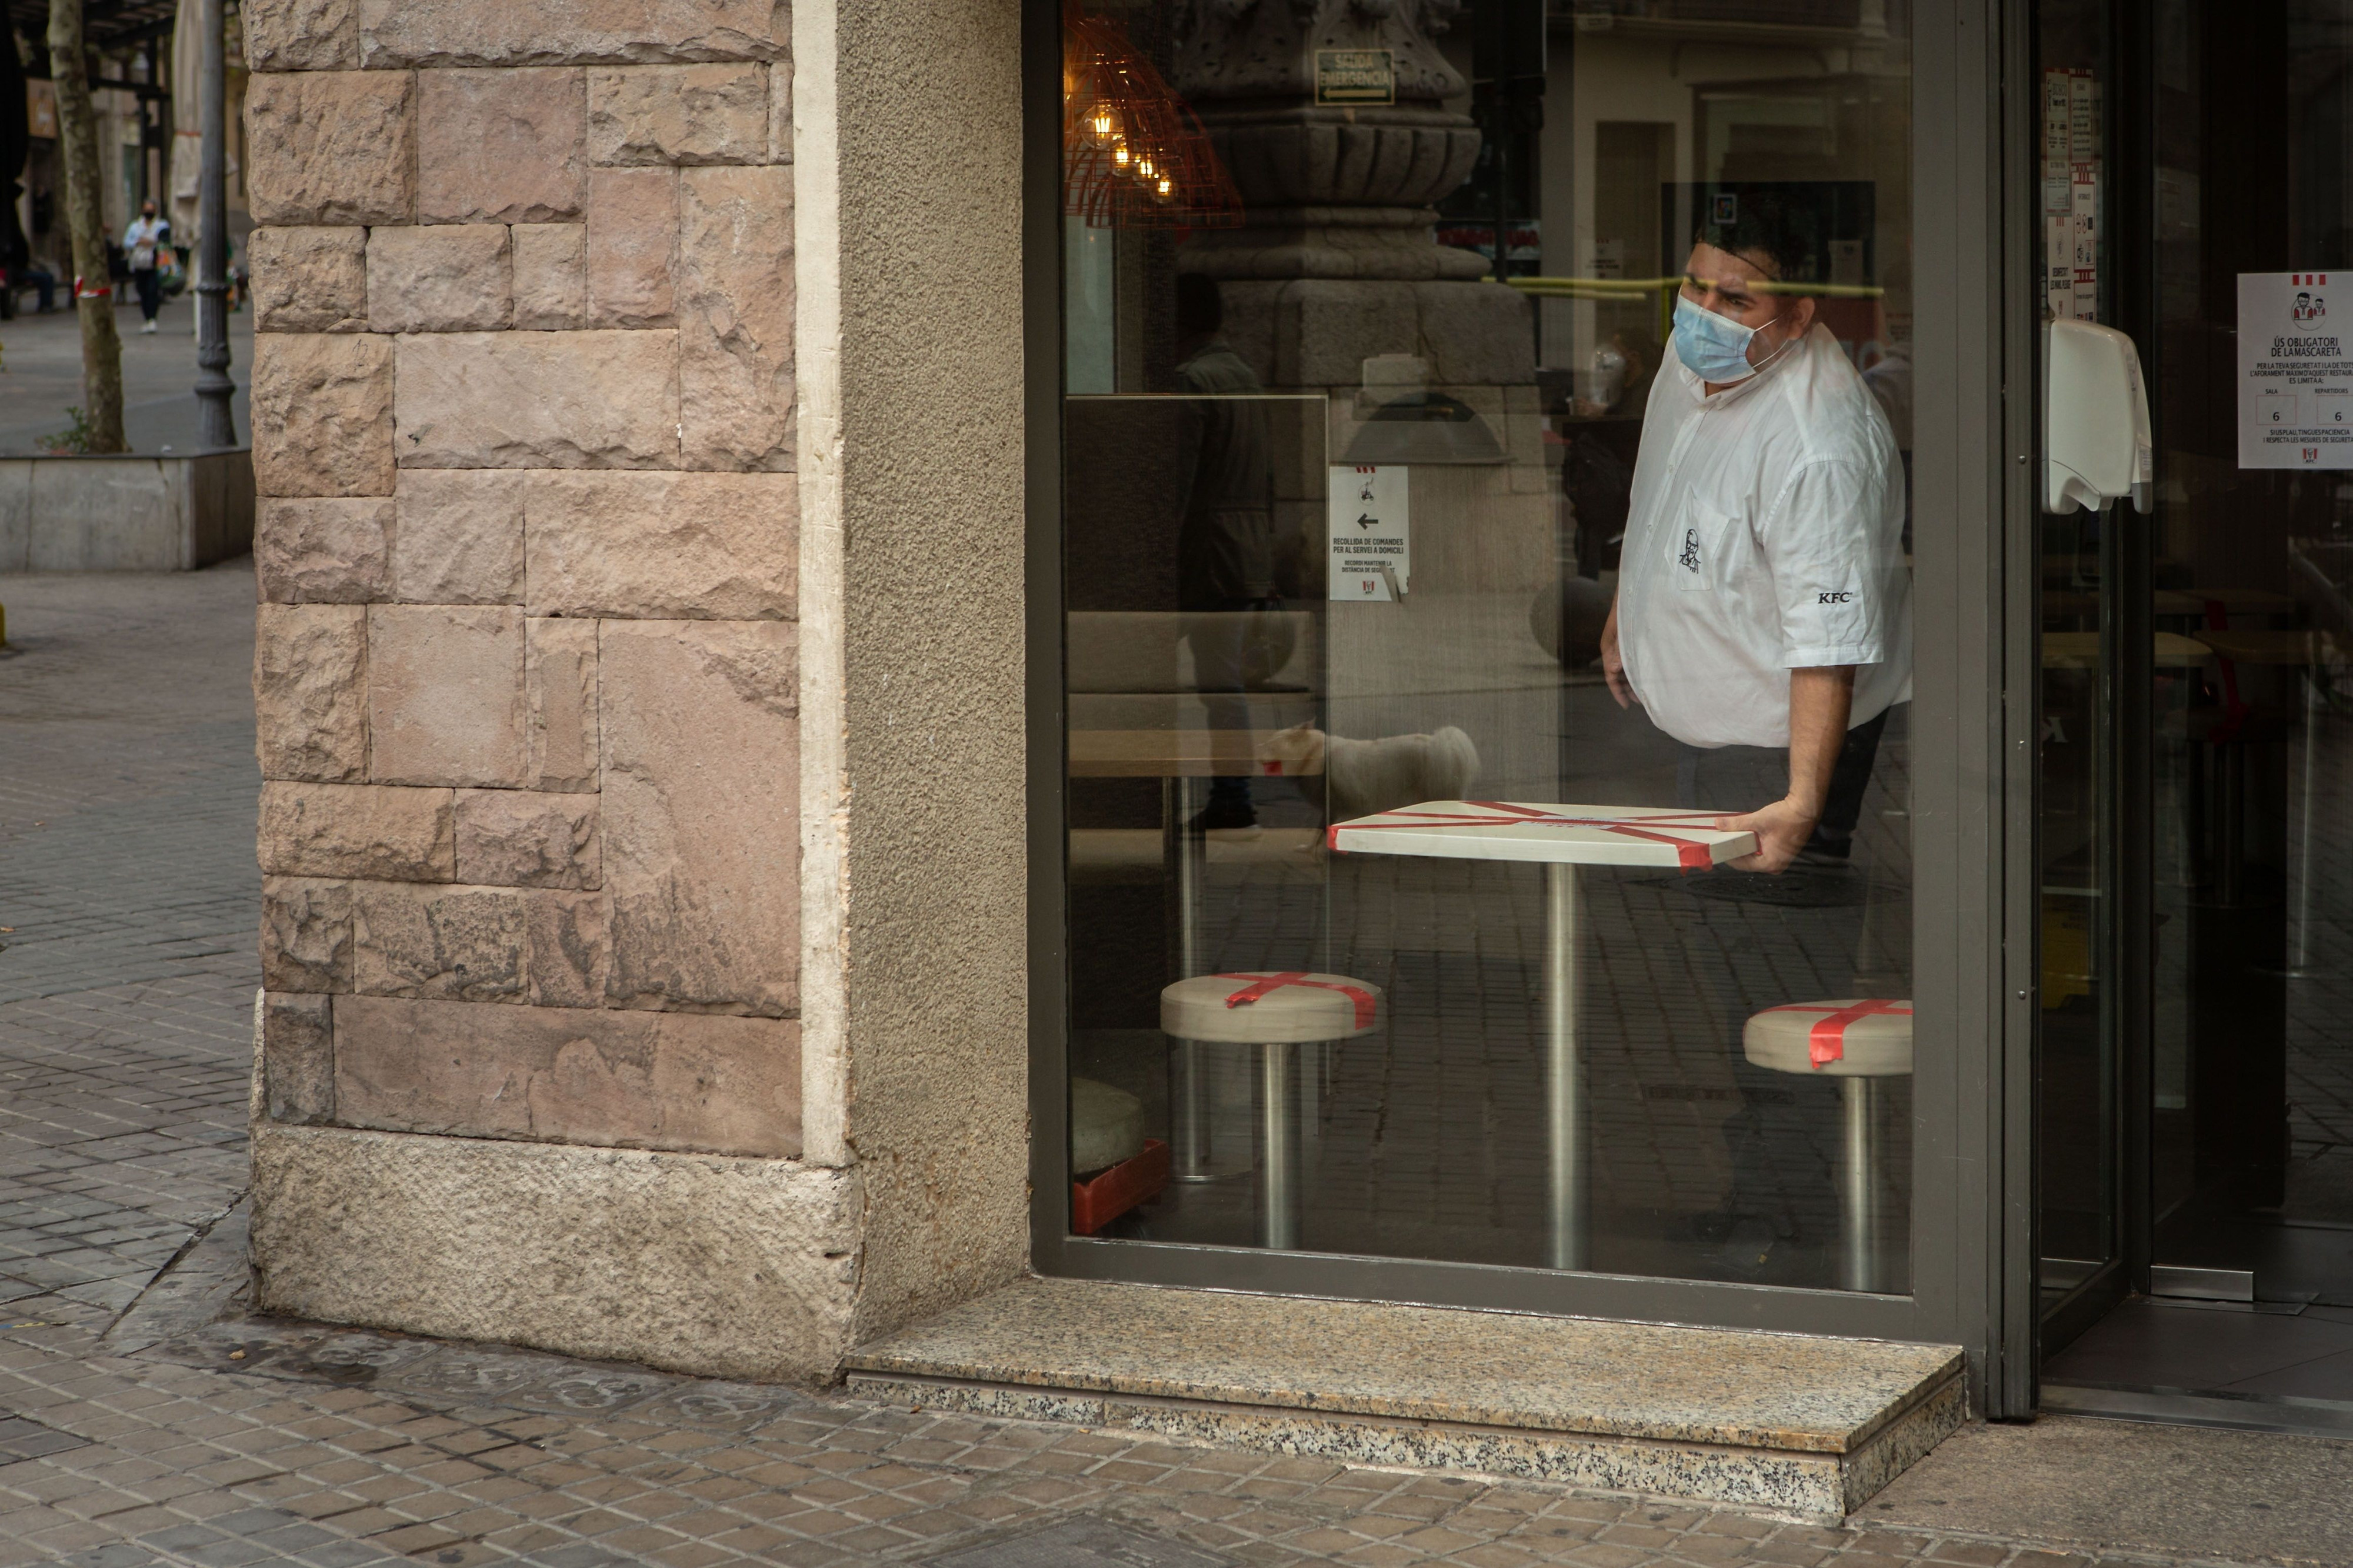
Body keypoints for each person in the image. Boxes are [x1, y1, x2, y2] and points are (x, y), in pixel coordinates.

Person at [1599, 203, 1911, 872]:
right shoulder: (1692, 360)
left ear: (1797, 317)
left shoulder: (1818, 447)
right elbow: (1669, 489)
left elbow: (1828, 639)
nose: (1702, 311)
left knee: (1763, 949)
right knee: (1702, 945)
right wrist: (1627, 606)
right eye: (1694, 285)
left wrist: (1802, 799)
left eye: (1735, 298)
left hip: (1779, 753)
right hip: (1706, 734)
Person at [1170, 272, 1284, 833]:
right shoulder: (1242, 375)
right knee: (1223, 682)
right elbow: (1267, 479)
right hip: (1245, 555)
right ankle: (1231, 794)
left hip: (1206, 557)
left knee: (1215, 685)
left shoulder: (1193, 382)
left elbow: (1177, 483)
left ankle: (1234, 796)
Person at [122, 200, 171, 333]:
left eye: (151, 209)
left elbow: (166, 241)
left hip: (156, 264)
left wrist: (152, 242)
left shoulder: (162, 225)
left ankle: (152, 319)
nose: (149, 212)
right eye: (146, 209)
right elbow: (126, 242)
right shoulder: (135, 226)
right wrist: (138, 242)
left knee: (153, 291)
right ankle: (147, 319)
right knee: (142, 291)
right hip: (139, 264)